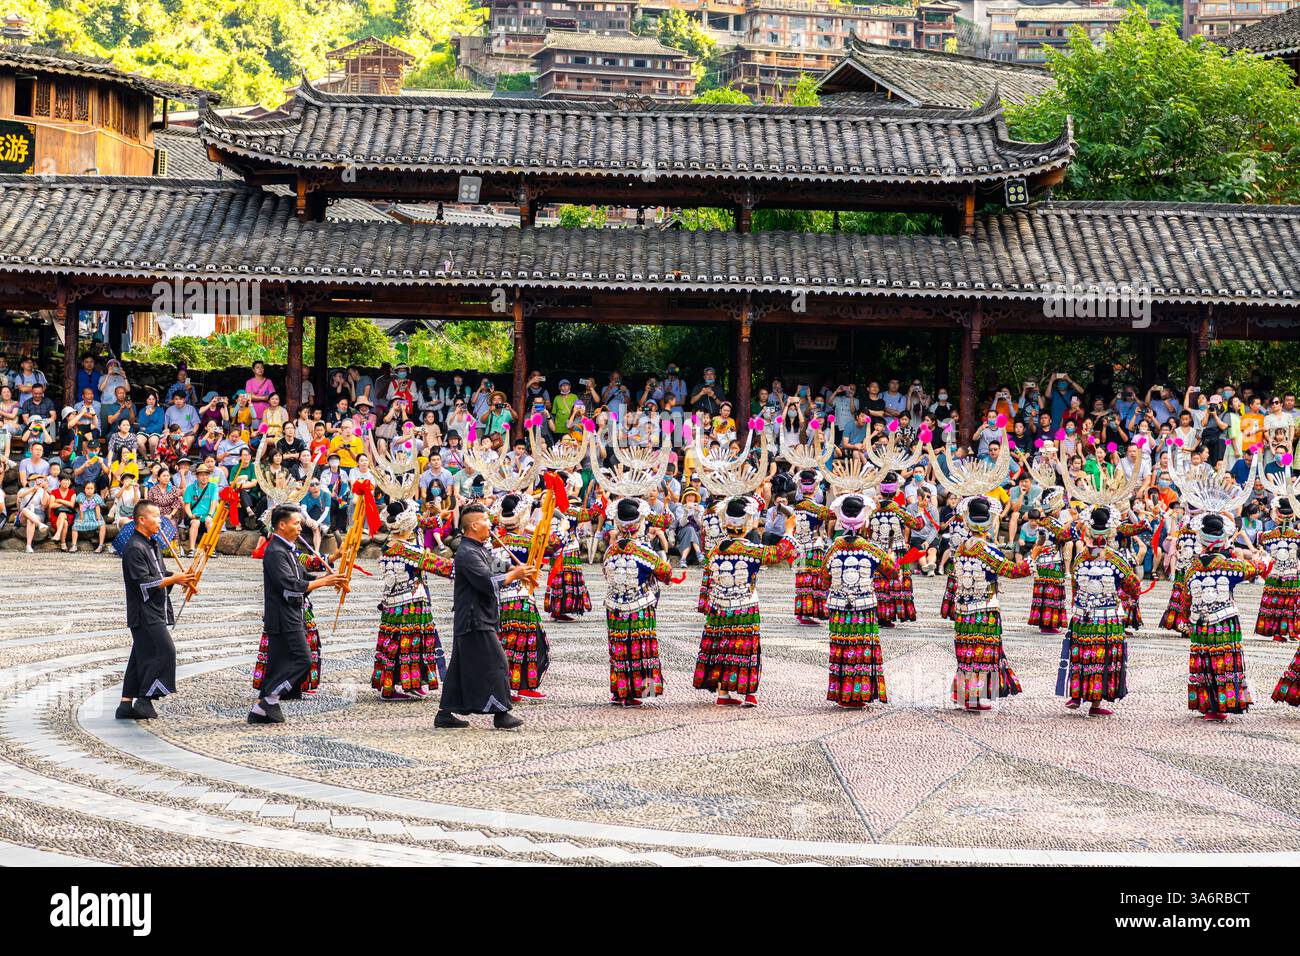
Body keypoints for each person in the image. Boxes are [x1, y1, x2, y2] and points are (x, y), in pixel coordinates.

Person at [434, 504, 536, 730]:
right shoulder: (466, 553)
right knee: (498, 663)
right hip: (474, 618)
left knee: (459, 667)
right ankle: (501, 713)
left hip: (478, 616)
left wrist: (519, 570)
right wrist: (514, 575)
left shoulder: (479, 548)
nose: (490, 524)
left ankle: (445, 714)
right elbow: (488, 583)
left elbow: (497, 566)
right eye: (486, 521)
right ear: (474, 525)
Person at [693, 495, 795, 707]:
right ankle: (748, 691)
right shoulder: (749, 549)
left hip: (719, 605)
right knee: (744, 646)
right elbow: (779, 553)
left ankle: (723, 692)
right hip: (744, 606)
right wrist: (789, 530)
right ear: (748, 522)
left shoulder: (715, 550)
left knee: (721, 645)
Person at [248, 505, 342, 724]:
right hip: (282, 617)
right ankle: (268, 700)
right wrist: (323, 582)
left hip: (291, 614)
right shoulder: (274, 551)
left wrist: (331, 579)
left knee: (279, 662)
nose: (300, 527)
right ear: (282, 525)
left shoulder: (287, 549)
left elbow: (301, 575)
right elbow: (289, 585)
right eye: (296, 523)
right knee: (303, 659)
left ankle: (262, 708)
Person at [949, 495, 1038, 711]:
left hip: (962, 608)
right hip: (983, 607)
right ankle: (975, 697)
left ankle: (962, 692)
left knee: (967, 651)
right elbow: (1013, 571)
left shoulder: (961, 548)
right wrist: (1033, 555)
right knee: (982, 651)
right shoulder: (987, 551)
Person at [1058, 505, 1142, 716]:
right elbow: (1134, 585)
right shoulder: (1115, 559)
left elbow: (1075, 586)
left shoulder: (1079, 559)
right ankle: (1095, 704)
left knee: (1082, 655)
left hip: (1082, 615)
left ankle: (1076, 695)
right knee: (1102, 658)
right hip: (1107, 617)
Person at [116, 501, 196, 720]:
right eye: (156, 516)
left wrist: (180, 579)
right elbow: (143, 583)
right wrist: (173, 578)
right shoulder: (134, 547)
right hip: (144, 612)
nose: (160, 520)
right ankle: (144, 699)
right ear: (142, 520)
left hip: (155, 608)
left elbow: (159, 572)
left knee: (139, 655)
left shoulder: (152, 544)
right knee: (164, 651)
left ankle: (125, 705)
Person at [371, 499, 455, 700]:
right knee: (411, 645)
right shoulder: (408, 550)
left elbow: (425, 526)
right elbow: (440, 566)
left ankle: (392, 686)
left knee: (393, 644)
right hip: (411, 603)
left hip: (391, 603)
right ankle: (409, 684)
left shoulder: (388, 545)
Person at [1185, 513, 1266, 721]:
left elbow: (1186, 598)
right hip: (1224, 620)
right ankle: (1223, 703)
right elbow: (1259, 568)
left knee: (1204, 661)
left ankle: (1208, 706)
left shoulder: (1191, 568)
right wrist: (1255, 557)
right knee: (1224, 660)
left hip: (1199, 623)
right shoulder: (1229, 566)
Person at [819, 494, 896, 708]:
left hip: (839, 606)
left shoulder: (834, 548)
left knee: (842, 647)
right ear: (864, 521)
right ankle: (859, 694)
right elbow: (893, 573)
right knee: (861, 647)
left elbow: (823, 577)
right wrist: (889, 559)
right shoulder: (871, 549)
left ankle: (843, 693)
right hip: (863, 607)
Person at [601, 498, 678, 706]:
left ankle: (620, 692)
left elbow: (605, 573)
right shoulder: (644, 551)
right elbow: (666, 573)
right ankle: (641, 693)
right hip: (639, 606)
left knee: (618, 649)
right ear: (639, 524)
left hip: (614, 606)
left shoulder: (610, 550)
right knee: (640, 649)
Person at [491, 493, 561, 701]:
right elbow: (556, 542)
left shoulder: (494, 542)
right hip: (520, 598)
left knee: (506, 643)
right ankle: (522, 686)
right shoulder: (528, 542)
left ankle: (507, 686)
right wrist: (532, 528)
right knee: (528, 643)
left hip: (498, 599)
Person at [868, 472, 924, 626]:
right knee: (893, 582)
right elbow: (918, 525)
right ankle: (890, 614)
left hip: (876, 550)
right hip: (896, 550)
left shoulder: (872, 509)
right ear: (895, 491)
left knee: (879, 583)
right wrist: (920, 511)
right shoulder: (900, 510)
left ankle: (880, 615)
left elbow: (866, 530)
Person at [786, 470, 832, 625]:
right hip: (813, 547)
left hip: (798, 547)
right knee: (813, 578)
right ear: (816, 486)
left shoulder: (795, 508)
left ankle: (803, 611)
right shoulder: (817, 508)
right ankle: (808, 612)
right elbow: (833, 514)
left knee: (802, 579)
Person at [1256, 496, 1300, 641]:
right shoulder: (1296, 535)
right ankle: (1293, 631)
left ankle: (1277, 632)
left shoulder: (1268, 535)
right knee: (1291, 603)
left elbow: (1260, 539)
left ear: (1277, 513)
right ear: (1293, 514)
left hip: (1275, 573)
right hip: (1292, 573)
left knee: (1277, 603)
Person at [1027, 490, 1071, 633]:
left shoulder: (1045, 521)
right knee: (1051, 592)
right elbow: (1065, 536)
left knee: (1045, 591)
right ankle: (1048, 624)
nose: (1060, 511)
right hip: (1051, 561)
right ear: (1054, 509)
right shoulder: (1051, 522)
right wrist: (1074, 525)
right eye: (1059, 509)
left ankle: (1045, 623)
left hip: (1043, 561)